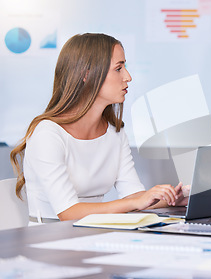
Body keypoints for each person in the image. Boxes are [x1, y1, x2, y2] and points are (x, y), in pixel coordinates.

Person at [10, 33, 188, 223]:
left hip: (93, 233)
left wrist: (175, 199)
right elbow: (68, 212)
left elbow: (134, 196)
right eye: (118, 68)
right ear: (86, 74)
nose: (128, 77)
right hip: (49, 241)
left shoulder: (115, 134)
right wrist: (137, 202)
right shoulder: (47, 134)